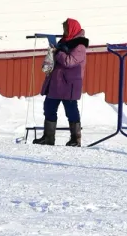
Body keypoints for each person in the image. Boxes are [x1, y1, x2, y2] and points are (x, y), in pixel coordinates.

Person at [36, 18, 88, 147]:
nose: (64, 31)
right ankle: (48, 137)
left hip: (69, 84)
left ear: (72, 29)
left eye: (66, 28)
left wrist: (57, 52)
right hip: (56, 83)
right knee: (48, 107)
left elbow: (69, 61)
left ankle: (75, 139)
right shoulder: (64, 42)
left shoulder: (79, 46)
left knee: (71, 111)